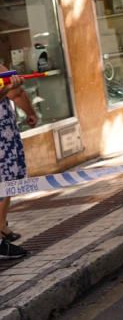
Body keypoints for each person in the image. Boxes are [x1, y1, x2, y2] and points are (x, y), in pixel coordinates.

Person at [1, 65, 37, 259]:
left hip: (6, 134)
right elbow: (10, 91)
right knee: (3, 182)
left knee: (9, 179)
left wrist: (30, 112)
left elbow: (16, 92)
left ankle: (2, 226)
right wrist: (7, 89)